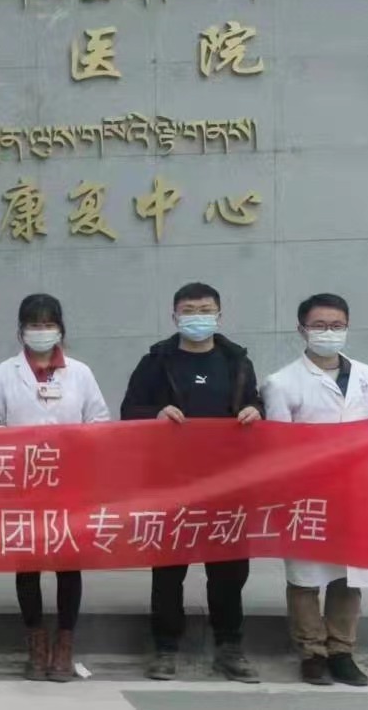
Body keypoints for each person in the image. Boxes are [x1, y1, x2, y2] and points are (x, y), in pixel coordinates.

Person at [121, 282, 263, 683]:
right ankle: (166, 648)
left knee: (229, 570)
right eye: (189, 310)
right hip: (171, 483)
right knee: (168, 570)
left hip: (228, 483)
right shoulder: (156, 362)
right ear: (174, 316)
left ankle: (229, 648)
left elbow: (255, 402)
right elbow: (129, 410)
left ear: (219, 315)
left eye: (205, 310)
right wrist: (155, 413)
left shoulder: (237, 361)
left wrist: (255, 410)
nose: (197, 317)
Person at [0, 293, 109, 682]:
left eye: (48, 324)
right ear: (21, 331)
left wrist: (73, 444)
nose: (41, 331)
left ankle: (64, 646)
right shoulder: (4, 373)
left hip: (70, 482)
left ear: (60, 329)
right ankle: (36, 644)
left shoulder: (80, 373)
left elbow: (99, 422)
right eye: (34, 325)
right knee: (28, 565)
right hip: (24, 483)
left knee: (68, 564)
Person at [262, 293, 368, 687]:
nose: (328, 332)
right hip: (307, 493)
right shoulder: (280, 382)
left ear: (347, 327)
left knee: (349, 574)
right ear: (302, 330)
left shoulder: (365, 373)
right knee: (305, 576)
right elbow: (277, 445)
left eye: (336, 325)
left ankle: (342, 650)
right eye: (319, 326)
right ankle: (312, 652)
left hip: (356, 491)